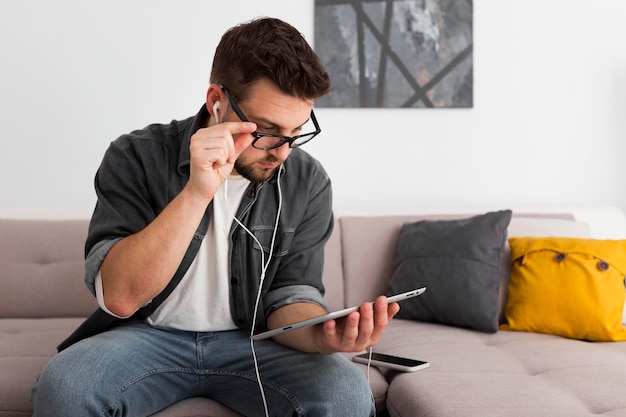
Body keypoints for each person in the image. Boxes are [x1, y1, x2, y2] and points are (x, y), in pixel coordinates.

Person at [31, 17, 400, 417]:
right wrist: (197, 191)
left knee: (345, 393)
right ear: (216, 101)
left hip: (256, 343)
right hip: (145, 337)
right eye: (268, 130)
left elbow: (292, 295)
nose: (282, 152)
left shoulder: (306, 180)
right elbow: (119, 298)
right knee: (66, 388)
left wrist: (322, 336)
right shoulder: (135, 155)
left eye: (296, 132)